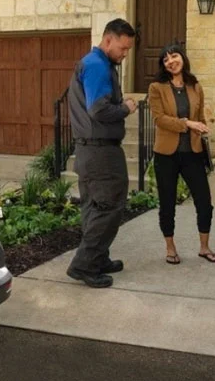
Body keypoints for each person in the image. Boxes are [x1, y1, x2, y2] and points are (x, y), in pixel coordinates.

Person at [66, 18, 137, 288]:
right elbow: (99, 110)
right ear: (108, 40)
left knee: (94, 206)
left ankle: (97, 258)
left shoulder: (96, 63)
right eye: (122, 48)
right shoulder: (97, 66)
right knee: (109, 208)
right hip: (100, 153)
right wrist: (126, 108)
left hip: (90, 151)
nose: (124, 53)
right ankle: (85, 265)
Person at [148, 43, 215, 265]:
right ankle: (170, 248)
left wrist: (203, 128)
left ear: (182, 58)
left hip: (193, 153)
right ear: (163, 65)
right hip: (166, 155)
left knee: (204, 202)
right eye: (166, 59)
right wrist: (187, 123)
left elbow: (200, 116)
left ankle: (204, 247)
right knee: (167, 203)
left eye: (174, 56)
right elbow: (159, 119)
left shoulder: (195, 85)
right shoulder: (156, 88)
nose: (171, 61)